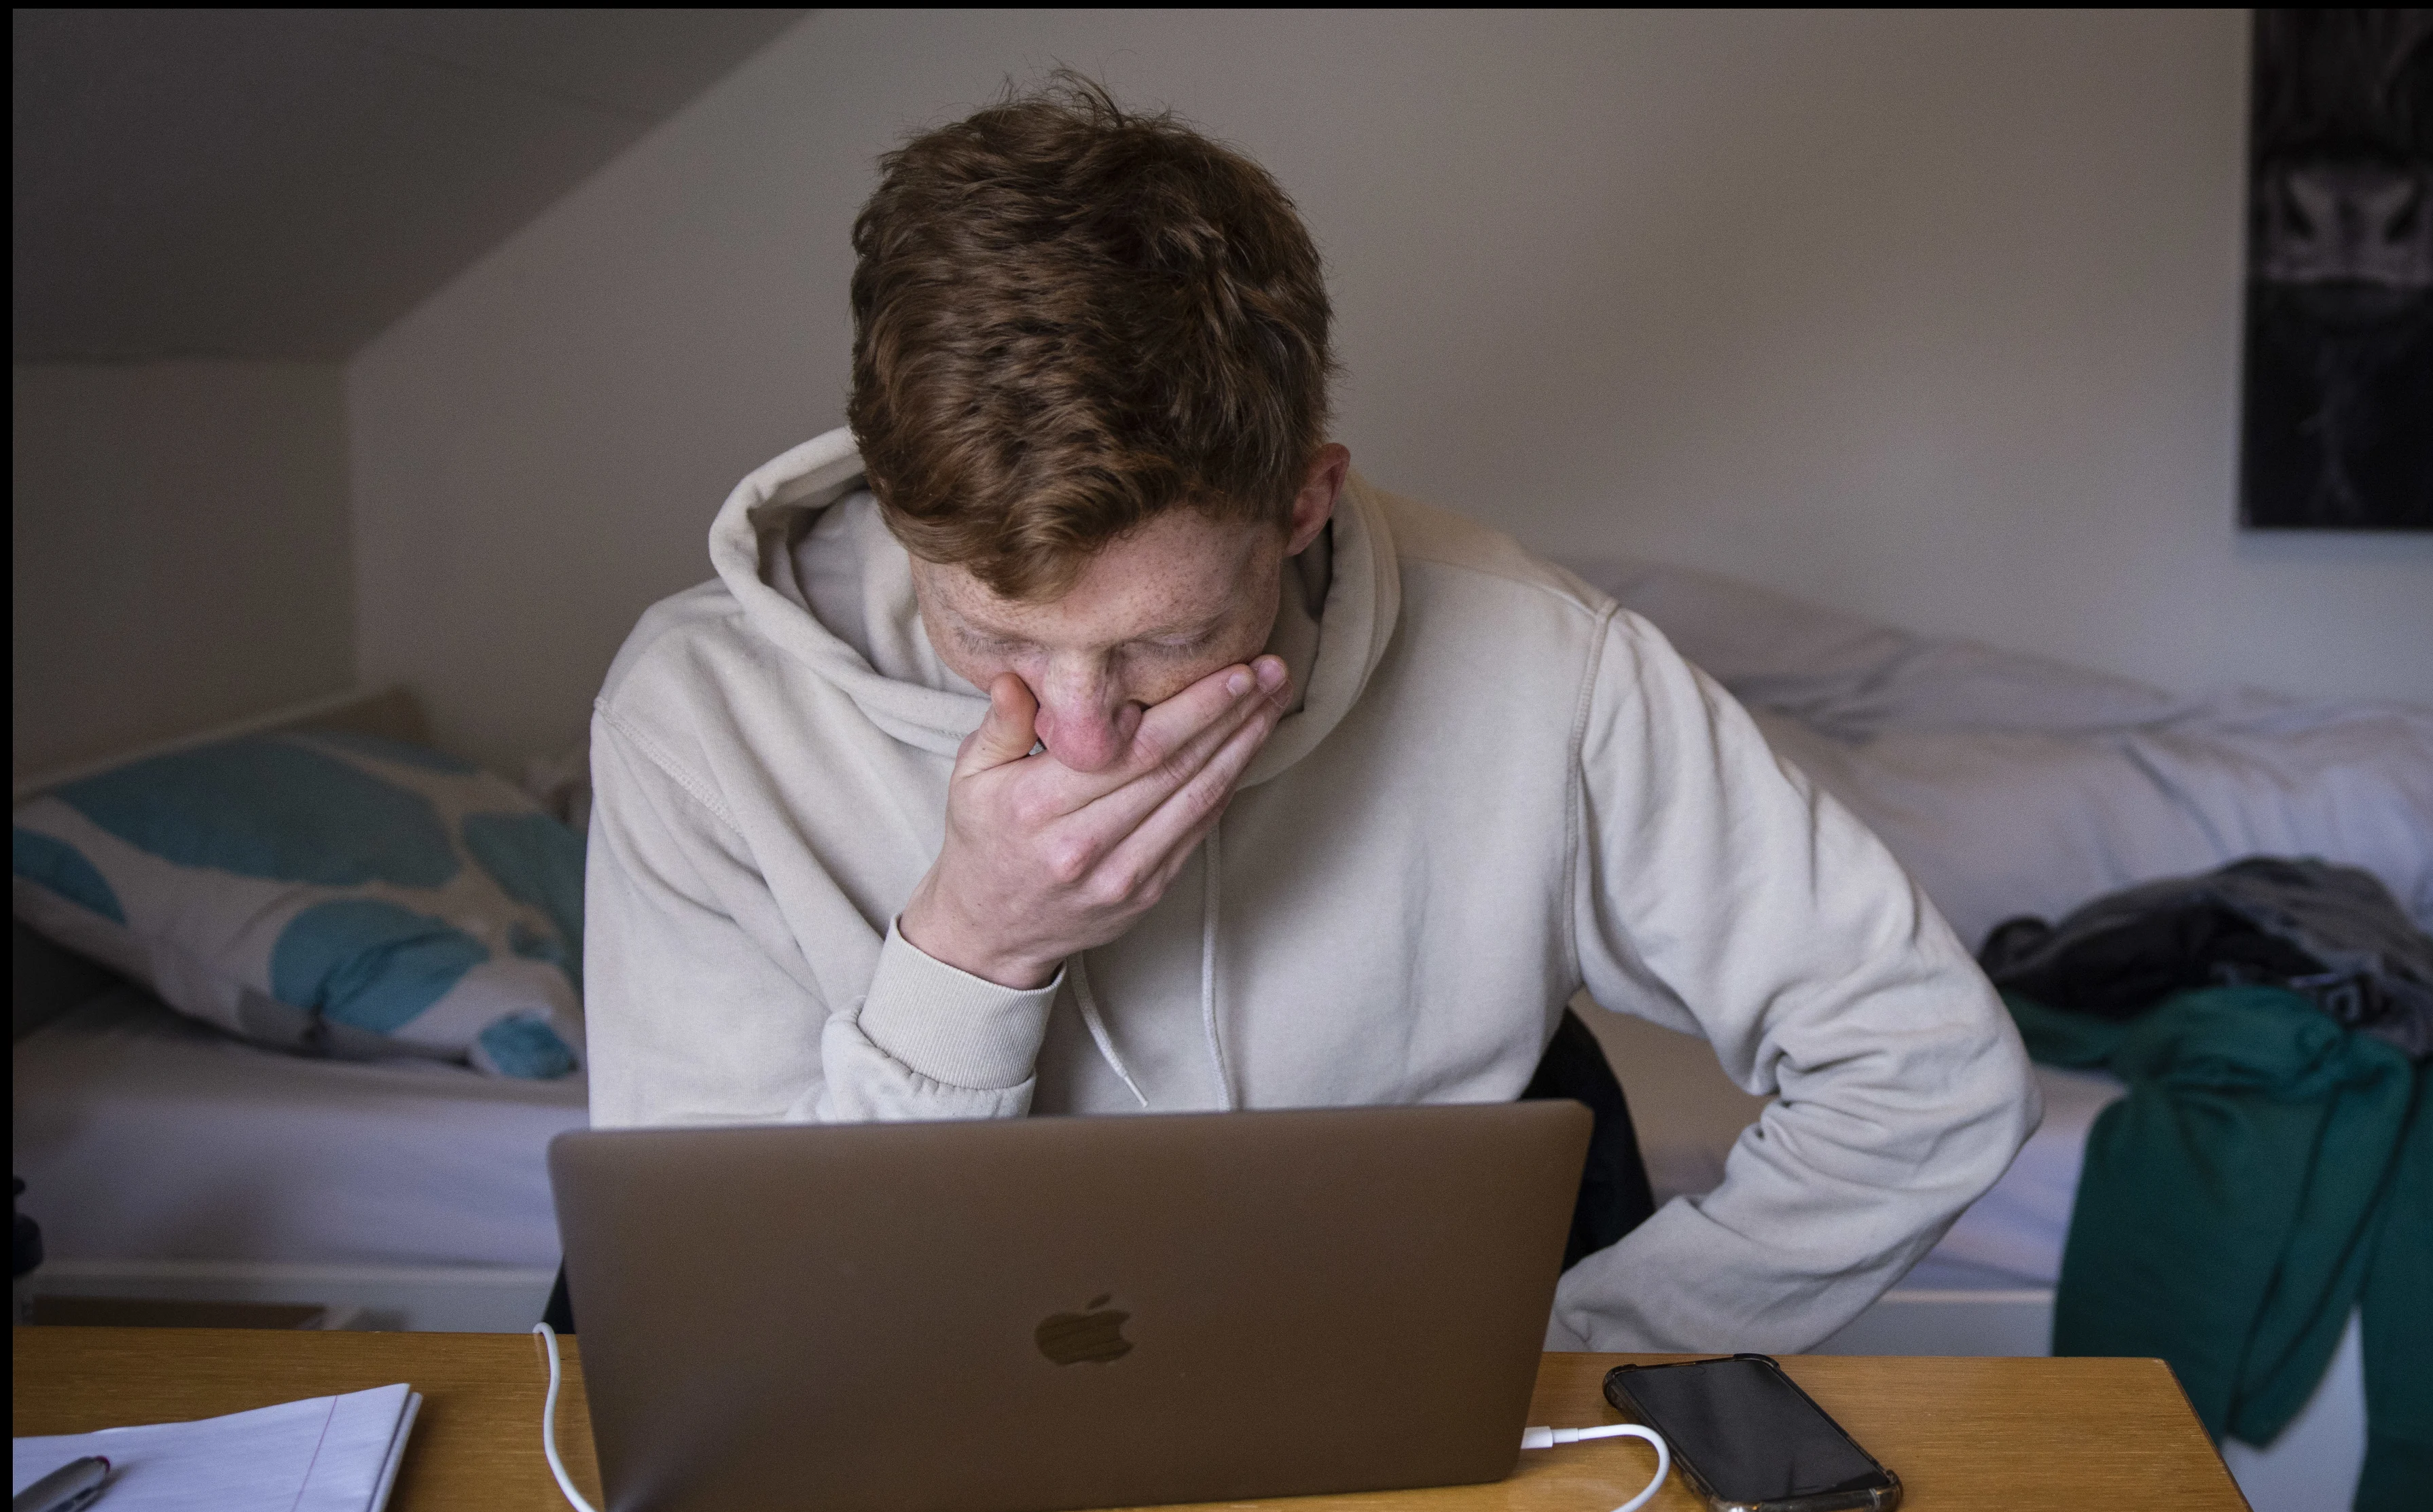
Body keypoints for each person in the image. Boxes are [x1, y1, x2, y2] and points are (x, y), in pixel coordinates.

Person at [583, 79, 2036, 1353]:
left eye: (1167, 640)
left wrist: (1572, 1358)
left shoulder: (1547, 664)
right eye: (995, 636)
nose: (1083, 736)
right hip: (903, 1445)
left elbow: (1928, 1072)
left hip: (1401, 1456)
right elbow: (721, 1314)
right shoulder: (696, 717)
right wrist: (972, 954)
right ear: (902, 521)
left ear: (1303, 503)